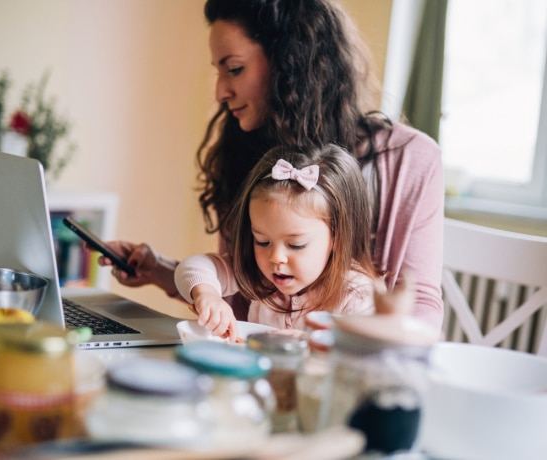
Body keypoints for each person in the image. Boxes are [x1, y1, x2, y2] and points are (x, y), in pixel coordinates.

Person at [100, 0, 444, 334]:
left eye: (234, 69)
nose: (220, 91)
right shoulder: (248, 157)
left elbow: (419, 307)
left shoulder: (411, 161)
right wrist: (159, 270)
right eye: (218, 72)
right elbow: (243, 288)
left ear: (287, 61)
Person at [175, 144, 380, 340]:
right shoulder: (260, 275)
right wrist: (207, 294)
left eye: (296, 245)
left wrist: (307, 341)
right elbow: (192, 267)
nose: (275, 257)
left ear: (338, 237)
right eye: (262, 241)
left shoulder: (357, 295)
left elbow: (363, 355)